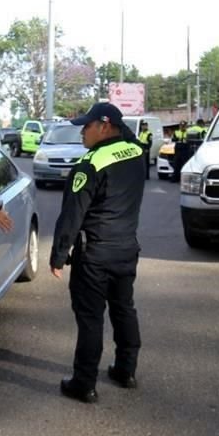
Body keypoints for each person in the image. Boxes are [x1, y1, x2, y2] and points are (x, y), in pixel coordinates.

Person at [50, 102, 146, 404]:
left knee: (90, 318)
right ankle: (126, 370)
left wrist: (59, 255)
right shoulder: (136, 152)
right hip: (127, 249)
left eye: (87, 126)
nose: (82, 132)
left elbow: (72, 214)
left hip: (95, 253)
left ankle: (84, 383)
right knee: (124, 309)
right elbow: (129, 136)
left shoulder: (90, 164)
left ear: (104, 127)